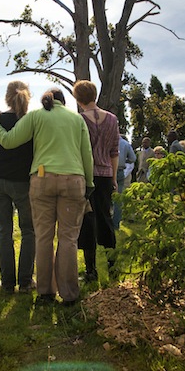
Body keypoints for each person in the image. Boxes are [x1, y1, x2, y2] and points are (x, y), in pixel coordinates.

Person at [0, 87, 93, 306]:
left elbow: (8, 141)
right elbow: (87, 154)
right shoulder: (77, 119)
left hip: (42, 178)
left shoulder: (36, 116)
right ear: (64, 102)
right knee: (68, 238)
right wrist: (90, 183)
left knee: (43, 237)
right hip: (73, 179)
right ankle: (69, 293)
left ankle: (45, 293)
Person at [0, 81, 35, 293]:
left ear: (7, 97)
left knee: (4, 231)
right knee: (28, 231)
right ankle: (25, 281)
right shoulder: (31, 121)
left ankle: (7, 283)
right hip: (23, 181)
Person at [74, 80, 119, 284]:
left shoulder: (79, 120)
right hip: (106, 174)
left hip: (87, 175)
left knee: (88, 219)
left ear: (78, 99)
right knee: (106, 218)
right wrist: (114, 177)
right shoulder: (112, 119)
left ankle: (91, 270)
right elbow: (114, 152)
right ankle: (112, 265)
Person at [112, 134, 137, 231]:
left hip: (108, 170)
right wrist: (124, 159)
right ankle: (116, 224)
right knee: (118, 199)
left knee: (105, 197)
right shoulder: (126, 144)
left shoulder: (109, 141)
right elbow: (133, 158)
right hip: (120, 171)